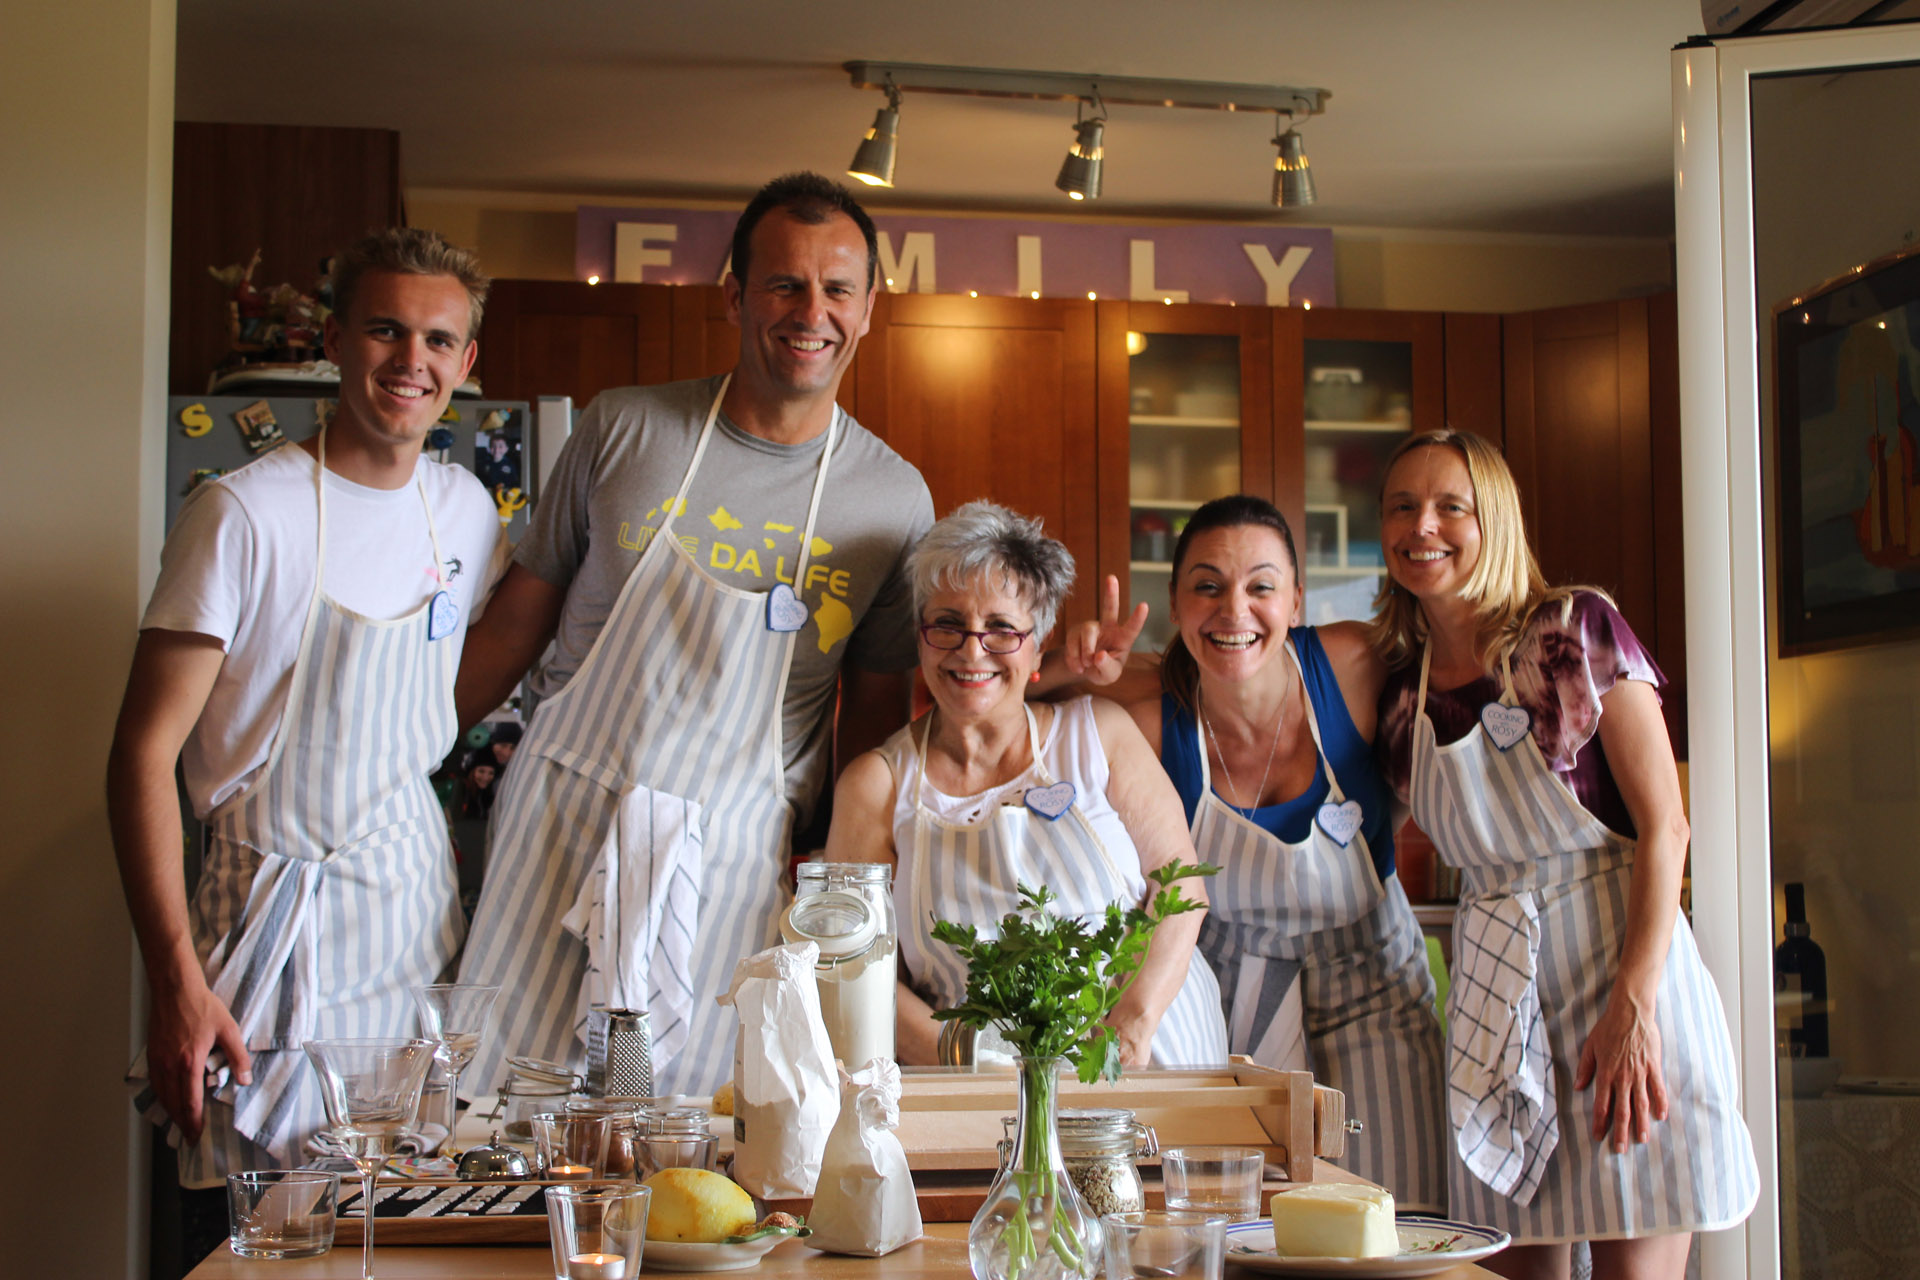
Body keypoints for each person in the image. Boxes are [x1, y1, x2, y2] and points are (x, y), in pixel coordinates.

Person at [455, 173, 934, 1097]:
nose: (812, 313)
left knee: (694, 1133)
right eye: (784, 284)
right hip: (561, 828)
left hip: (734, 854)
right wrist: (395, 768)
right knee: (507, 1117)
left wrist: (842, 904)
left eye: (838, 289)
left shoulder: (893, 498)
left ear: (870, 308)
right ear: (733, 295)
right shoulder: (625, 428)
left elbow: (871, 726)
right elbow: (515, 625)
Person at [110, 230, 503, 1209]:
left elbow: (441, 694)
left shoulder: (464, 509)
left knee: (404, 1227)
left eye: (437, 340)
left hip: (414, 930)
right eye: (384, 330)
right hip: (270, 929)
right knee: (259, 1236)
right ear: (334, 341)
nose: (411, 361)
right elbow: (141, 758)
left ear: (465, 362)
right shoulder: (243, 514)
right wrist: (175, 982)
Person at [1370, 430, 1757, 1278]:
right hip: (1497, 1008)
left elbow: (1666, 828)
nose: (1422, 525)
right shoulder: (1401, 694)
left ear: (1495, 520)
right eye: (1402, 506)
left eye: (1450, 506)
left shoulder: (1572, 631)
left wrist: (1634, 1007)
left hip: (1623, 980)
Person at [1116, 494, 1447, 1209]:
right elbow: (1031, 697)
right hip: (1229, 1007)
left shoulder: (1351, 666)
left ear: (1296, 600)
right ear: (1175, 603)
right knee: (1251, 1222)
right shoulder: (1149, 728)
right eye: (1208, 586)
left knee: (1399, 1213)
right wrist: (1072, 665)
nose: (1234, 610)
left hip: (1377, 990)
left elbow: (1460, 645)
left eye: (1260, 586)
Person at [825, 501, 1228, 1065]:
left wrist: (1133, 1025)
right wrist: (979, 1065)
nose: (972, 650)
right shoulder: (877, 784)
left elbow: (1180, 888)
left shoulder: (1100, 735)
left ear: (1039, 643)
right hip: (979, 1086)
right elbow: (857, 967)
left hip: (1155, 1052)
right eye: (948, 624)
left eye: (1001, 629)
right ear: (919, 636)